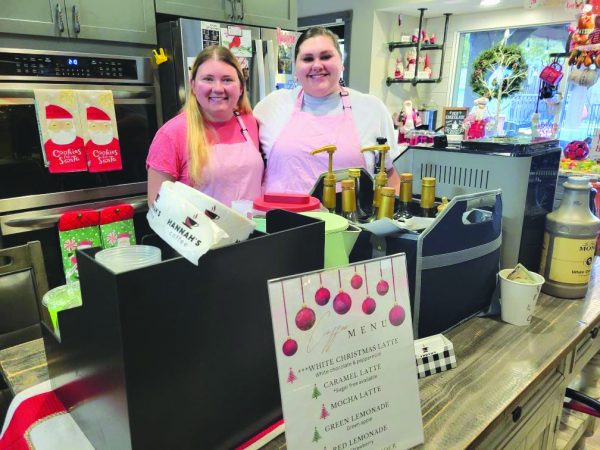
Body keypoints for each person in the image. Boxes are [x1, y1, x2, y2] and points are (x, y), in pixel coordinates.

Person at [254, 27, 400, 195]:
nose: (317, 65)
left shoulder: (372, 109)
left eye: (326, 56)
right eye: (307, 59)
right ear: (295, 67)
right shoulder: (271, 107)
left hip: (351, 220)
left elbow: (389, 174)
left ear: (341, 61)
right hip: (279, 219)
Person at [146, 45, 263, 206]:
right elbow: (157, 206)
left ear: (241, 87)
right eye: (208, 79)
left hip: (258, 229)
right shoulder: (171, 134)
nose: (218, 88)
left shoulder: (250, 122)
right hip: (199, 230)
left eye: (227, 80)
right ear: (193, 85)